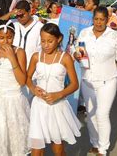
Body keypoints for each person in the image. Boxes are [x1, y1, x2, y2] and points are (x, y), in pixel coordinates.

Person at [75, 7, 117, 156]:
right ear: (92, 19)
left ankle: (103, 148)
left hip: (108, 81)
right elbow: (78, 51)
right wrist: (77, 55)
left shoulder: (114, 36)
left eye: (102, 19)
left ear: (107, 19)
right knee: (91, 114)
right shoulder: (84, 33)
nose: (99, 22)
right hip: (88, 79)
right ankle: (94, 142)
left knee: (102, 114)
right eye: (96, 19)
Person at [27, 23, 81, 155]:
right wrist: (33, 89)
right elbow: (27, 78)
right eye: (43, 41)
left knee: (58, 148)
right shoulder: (36, 57)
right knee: (36, 148)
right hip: (39, 107)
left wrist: (59, 94)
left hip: (57, 106)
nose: (46, 45)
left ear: (59, 39)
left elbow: (74, 84)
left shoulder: (65, 58)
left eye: (50, 41)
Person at [0, 20, 30, 155]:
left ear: (14, 37)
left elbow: (22, 81)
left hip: (13, 100)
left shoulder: (19, 52)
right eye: (2, 38)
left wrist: (11, 58)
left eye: (9, 37)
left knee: (14, 138)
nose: (6, 41)